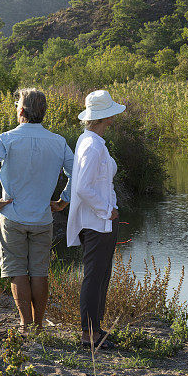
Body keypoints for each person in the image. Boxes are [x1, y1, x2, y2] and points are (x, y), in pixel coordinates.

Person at [0, 88, 73, 334]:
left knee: (16, 271)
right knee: (39, 272)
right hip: (43, 217)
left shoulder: (6, 138)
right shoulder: (58, 141)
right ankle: (39, 326)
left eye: (16, 104)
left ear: (21, 110)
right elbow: (78, 174)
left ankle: (25, 325)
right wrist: (63, 201)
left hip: (12, 216)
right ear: (43, 112)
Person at [66, 89, 125, 349]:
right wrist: (105, 210)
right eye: (111, 112)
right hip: (96, 222)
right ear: (105, 117)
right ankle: (89, 335)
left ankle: (95, 330)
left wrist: (108, 209)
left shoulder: (92, 141)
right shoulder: (91, 145)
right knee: (94, 276)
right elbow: (82, 188)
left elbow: (96, 183)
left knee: (101, 275)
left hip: (101, 221)